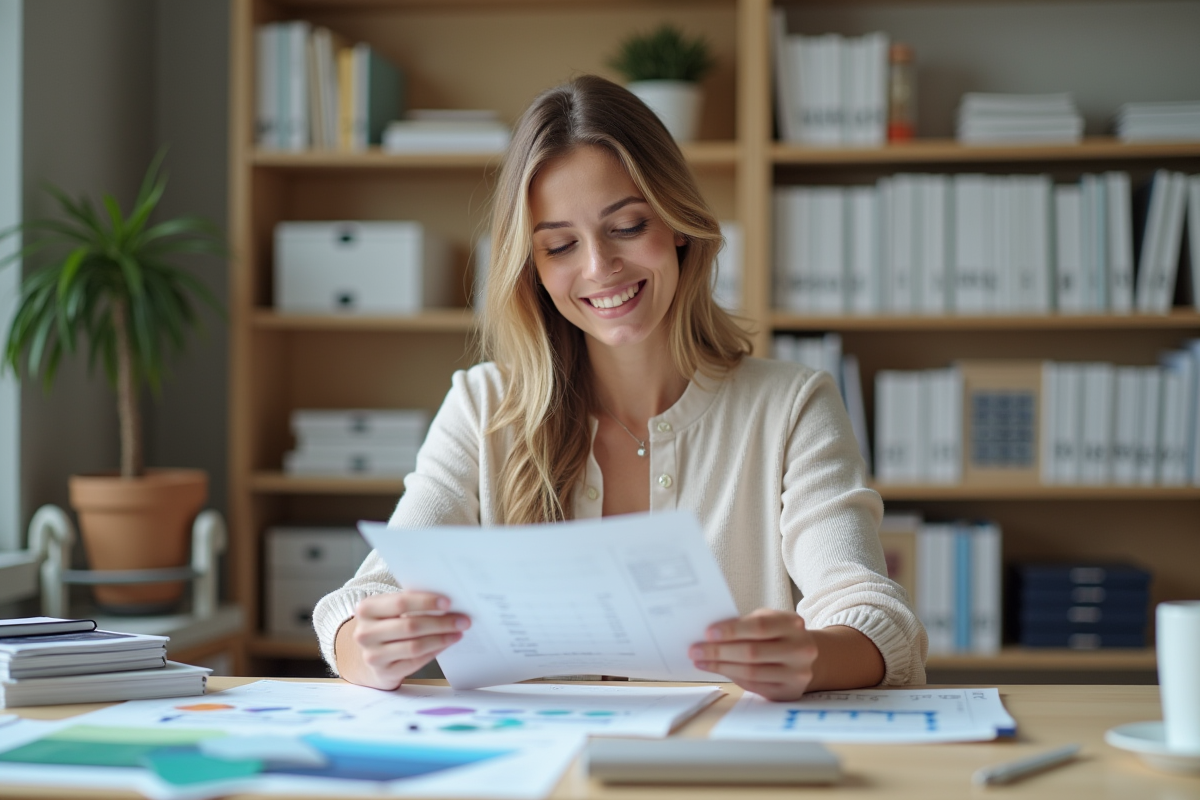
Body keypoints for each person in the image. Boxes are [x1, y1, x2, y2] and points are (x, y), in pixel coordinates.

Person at [314, 75, 927, 701]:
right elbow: (364, 598)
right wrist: (366, 647)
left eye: (628, 227)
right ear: (533, 268)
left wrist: (813, 657)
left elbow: (874, 616)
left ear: (679, 222)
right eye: (559, 245)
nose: (599, 268)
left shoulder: (792, 407)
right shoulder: (482, 406)